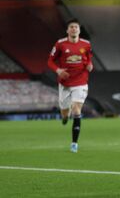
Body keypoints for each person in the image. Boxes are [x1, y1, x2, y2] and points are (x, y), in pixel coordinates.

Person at [48, 19, 93, 153]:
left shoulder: (86, 44)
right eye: (71, 27)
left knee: (76, 109)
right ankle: (64, 117)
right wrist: (58, 70)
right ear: (67, 30)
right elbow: (50, 61)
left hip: (80, 82)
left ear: (79, 30)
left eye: (76, 27)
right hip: (65, 84)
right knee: (65, 112)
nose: (74, 29)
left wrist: (90, 65)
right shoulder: (60, 44)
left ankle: (74, 143)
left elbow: (89, 59)